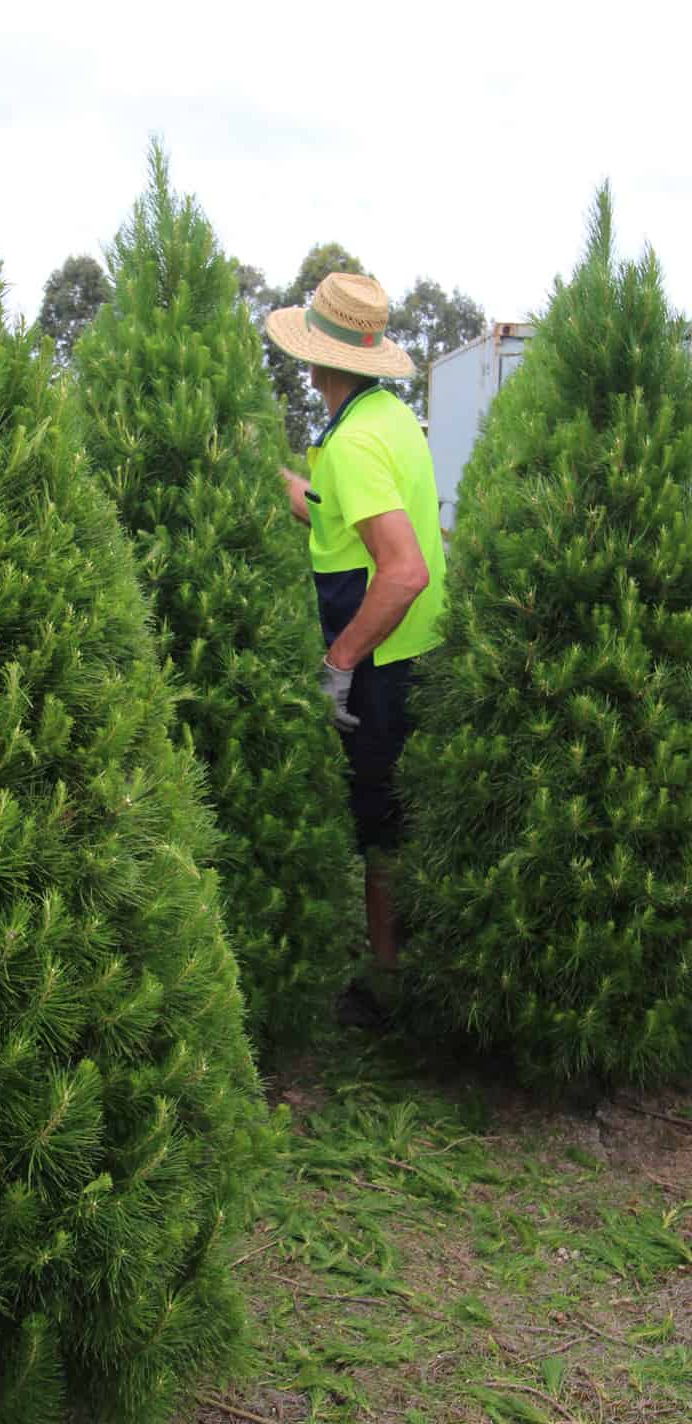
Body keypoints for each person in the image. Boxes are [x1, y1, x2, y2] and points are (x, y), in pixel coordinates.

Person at [265, 272, 445, 1027]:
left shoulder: (356, 443)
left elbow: (402, 571)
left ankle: (387, 986)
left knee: (383, 827)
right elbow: (338, 515)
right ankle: (405, 965)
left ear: (314, 361)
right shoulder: (387, 419)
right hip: (418, 650)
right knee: (406, 816)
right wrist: (280, 480)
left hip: (384, 665)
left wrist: (340, 662)